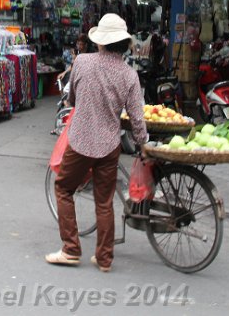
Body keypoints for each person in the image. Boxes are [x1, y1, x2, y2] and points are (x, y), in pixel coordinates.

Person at [46, 14, 148, 273]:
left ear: (100, 42)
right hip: (109, 145)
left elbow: (72, 98)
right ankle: (104, 258)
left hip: (81, 141)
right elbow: (137, 117)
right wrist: (143, 144)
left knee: (63, 188)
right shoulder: (129, 75)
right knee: (104, 202)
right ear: (123, 44)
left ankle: (70, 249)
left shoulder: (82, 62)